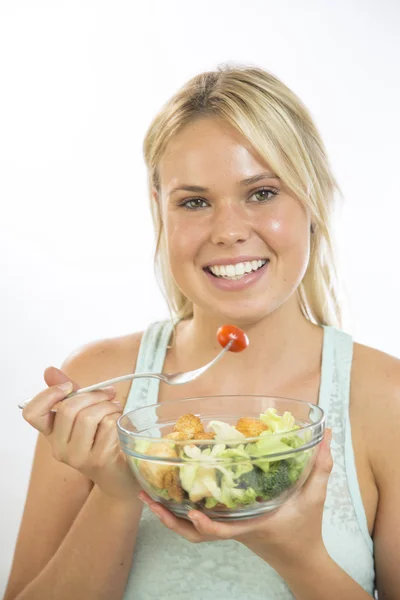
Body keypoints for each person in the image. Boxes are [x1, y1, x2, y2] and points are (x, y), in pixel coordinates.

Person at [5, 66, 400, 600]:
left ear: (313, 201)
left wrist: (297, 553)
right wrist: (118, 493)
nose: (229, 230)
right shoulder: (99, 383)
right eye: (194, 202)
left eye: (261, 193)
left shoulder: (386, 398)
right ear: (159, 210)